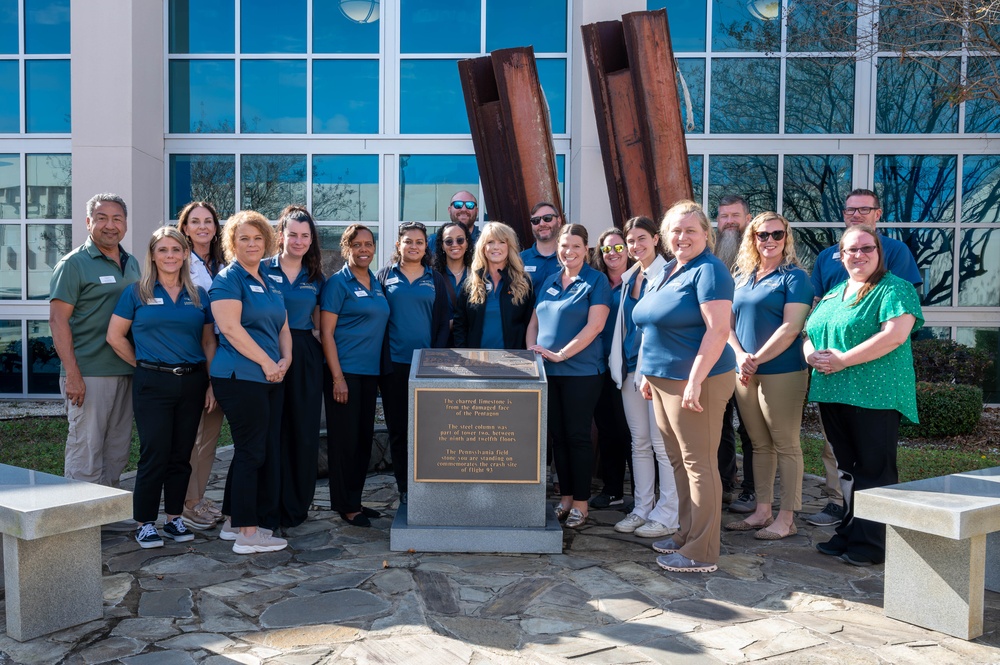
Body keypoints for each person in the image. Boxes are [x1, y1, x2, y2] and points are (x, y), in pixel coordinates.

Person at [804, 224, 923, 565]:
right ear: (839, 256)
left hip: (876, 394)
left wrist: (842, 360)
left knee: (874, 469)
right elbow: (809, 333)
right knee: (848, 468)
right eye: (851, 250)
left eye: (866, 248)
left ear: (878, 252)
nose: (859, 255)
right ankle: (850, 530)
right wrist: (810, 355)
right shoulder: (832, 293)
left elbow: (894, 336)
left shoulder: (894, 289)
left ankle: (872, 543)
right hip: (834, 391)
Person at [635, 200, 736, 574]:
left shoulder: (710, 271)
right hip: (662, 379)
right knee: (678, 461)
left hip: (698, 380)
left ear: (706, 234)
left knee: (698, 465)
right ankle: (686, 533)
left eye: (691, 230)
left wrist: (695, 380)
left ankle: (702, 551)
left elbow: (718, 329)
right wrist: (648, 372)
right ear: (665, 236)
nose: (682, 237)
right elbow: (653, 325)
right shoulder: (671, 270)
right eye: (676, 230)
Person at [106, 226, 216, 548]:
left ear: (185, 255)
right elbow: (115, 337)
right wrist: (142, 364)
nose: (170, 256)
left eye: (176, 250)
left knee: (182, 454)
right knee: (155, 452)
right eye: (163, 250)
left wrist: (210, 382)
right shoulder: (136, 292)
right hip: (152, 382)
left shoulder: (198, 294)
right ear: (153, 255)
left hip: (193, 381)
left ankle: (174, 519)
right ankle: (144, 523)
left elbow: (208, 340)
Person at [723, 212, 813, 540]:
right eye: (763, 235)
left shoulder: (796, 277)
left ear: (786, 238)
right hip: (744, 372)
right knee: (759, 445)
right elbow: (727, 326)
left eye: (777, 234)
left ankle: (787, 519)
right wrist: (740, 356)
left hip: (782, 371)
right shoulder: (742, 276)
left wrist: (755, 359)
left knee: (786, 444)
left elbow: (791, 328)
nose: (770, 241)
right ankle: (762, 512)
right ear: (753, 239)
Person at [210, 210, 291, 554]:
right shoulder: (228, 280)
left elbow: (283, 328)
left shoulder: (270, 279)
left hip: (269, 375)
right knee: (250, 452)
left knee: (254, 450)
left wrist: (285, 360)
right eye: (244, 238)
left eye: (258, 238)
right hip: (240, 376)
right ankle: (247, 533)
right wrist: (268, 362)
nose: (252, 244)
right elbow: (230, 329)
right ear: (232, 243)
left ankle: (232, 521)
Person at [50, 193, 141, 489]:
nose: (110, 225)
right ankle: (80, 523)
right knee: (86, 450)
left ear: (125, 224)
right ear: (89, 222)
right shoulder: (74, 264)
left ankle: (105, 515)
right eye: (102, 218)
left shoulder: (133, 263)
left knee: (116, 449)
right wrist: (72, 375)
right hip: (89, 372)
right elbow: (57, 321)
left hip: (126, 369)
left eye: (117, 218)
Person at [527, 224, 611, 528]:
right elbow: (534, 323)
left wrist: (562, 354)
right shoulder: (549, 279)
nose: (569, 251)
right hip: (549, 372)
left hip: (581, 372)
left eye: (576, 246)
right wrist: (532, 354)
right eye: (564, 246)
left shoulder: (596, 280)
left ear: (586, 249)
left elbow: (595, 327)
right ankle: (564, 500)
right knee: (558, 438)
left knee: (577, 437)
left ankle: (581, 502)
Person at [609, 216, 680, 538]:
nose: (635, 246)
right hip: (629, 371)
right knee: (639, 443)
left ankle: (668, 514)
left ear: (656, 239)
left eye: (641, 239)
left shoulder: (669, 274)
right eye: (630, 241)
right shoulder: (629, 277)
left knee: (662, 445)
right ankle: (642, 508)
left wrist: (649, 370)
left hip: (656, 372)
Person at [377, 222, 451, 507]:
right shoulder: (384, 277)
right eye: (408, 241)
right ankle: (405, 487)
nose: (414, 246)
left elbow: (444, 322)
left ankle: (428, 482)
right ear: (399, 245)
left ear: (425, 247)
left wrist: (436, 357)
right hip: (394, 364)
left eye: (419, 242)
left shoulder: (435, 279)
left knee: (427, 428)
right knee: (398, 429)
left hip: (426, 365)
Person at [321, 224, 390, 526]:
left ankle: (356, 500)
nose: (364, 249)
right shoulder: (339, 284)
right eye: (357, 244)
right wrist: (337, 378)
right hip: (345, 373)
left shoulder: (376, 282)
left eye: (368, 244)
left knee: (362, 441)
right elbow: (326, 333)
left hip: (369, 374)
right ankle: (345, 505)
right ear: (346, 247)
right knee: (345, 442)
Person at [262, 206, 325, 532]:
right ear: (280, 235)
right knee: (270, 431)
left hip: (304, 356)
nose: (298, 241)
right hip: (265, 353)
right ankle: (267, 505)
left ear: (311, 239)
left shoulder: (316, 277)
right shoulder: (260, 269)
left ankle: (296, 505)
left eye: (305, 235)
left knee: (302, 431)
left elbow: (318, 325)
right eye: (292, 234)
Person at [176, 201, 226, 530]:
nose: (203, 227)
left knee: (210, 434)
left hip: (223, 354)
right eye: (195, 222)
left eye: (208, 221)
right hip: (192, 355)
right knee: (191, 435)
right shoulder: (178, 262)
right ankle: (186, 501)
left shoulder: (224, 261)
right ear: (185, 227)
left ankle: (199, 497)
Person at [714, 194, 755, 512]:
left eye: (734, 215)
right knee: (721, 423)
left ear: (747, 218)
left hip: (752, 357)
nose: (729, 221)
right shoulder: (714, 255)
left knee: (753, 428)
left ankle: (752, 490)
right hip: (717, 355)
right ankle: (726, 481)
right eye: (723, 216)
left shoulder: (760, 254)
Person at [589, 228, 635, 515]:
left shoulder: (639, 281)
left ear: (628, 251)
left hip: (630, 368)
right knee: (607, 430)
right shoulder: (597, 283)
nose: (613, 254)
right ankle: (613, 490)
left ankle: (644, 495)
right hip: (600, 366)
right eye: (607, 249)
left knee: (633, 433)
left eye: (619, 248)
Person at [453, 222, 534, 349]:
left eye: (502, 242)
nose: (496, 247)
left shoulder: (523, 283)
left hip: (514, 361)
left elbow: (531, 324)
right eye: (490, 242)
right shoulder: (471, 284)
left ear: (509, 246)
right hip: (476, 361)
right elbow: (460, 325)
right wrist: (464, 354)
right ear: (483, 247)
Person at [520, 202, 564, 287]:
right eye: (535, 220)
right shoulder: (520, 260)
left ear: (559, 221)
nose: (542, 224)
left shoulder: (569, 257)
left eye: (547, 218)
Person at [432, 221, 472, 313]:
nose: (454, 244)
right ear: (442, 246)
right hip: (442, 327)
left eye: (460, 240)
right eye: (449, 241)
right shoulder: (432, 276)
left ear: (467, 243)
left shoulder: (478, 275)